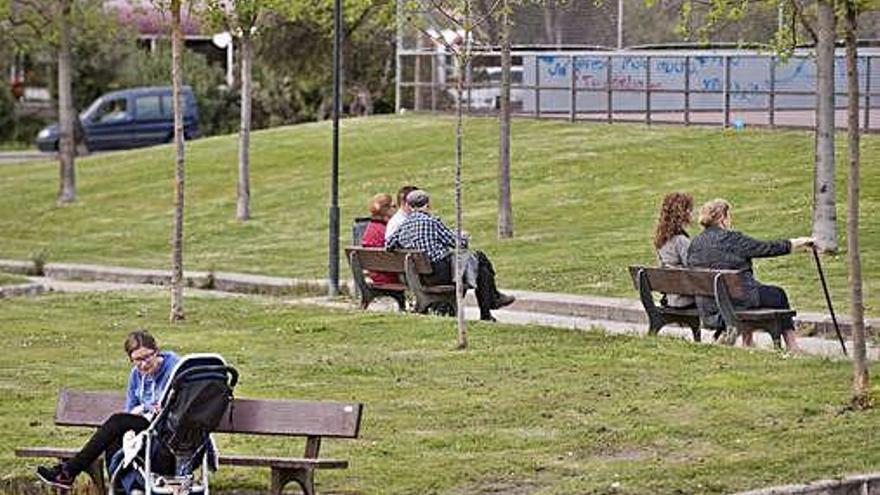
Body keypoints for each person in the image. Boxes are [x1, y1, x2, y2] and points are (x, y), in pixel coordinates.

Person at [36, 330, 180, 490]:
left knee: (118, 421)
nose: (144, 364)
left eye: (147, 357)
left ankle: (68, 471)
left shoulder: (174, 366)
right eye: (137, 360)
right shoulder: (136, 375)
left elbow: (172, 402)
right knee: (114, 440)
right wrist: (144, 409)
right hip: (146, 430)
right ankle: (115, 488)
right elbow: (131, 410)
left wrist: (146, 407)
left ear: (157, 351)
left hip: (168, 430)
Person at [687, 199, 813, 350]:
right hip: (737, 299)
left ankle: (746, 340)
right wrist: (796, 242)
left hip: (709, 304)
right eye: (729, 216)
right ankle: (792, 345)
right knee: (778, 294)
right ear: (722, 218)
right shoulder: (732, 239)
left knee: (748, 287)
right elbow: (765, 248)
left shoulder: (695, 243)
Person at [386, 189, 515, 321]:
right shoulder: (432, 221)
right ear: (427, 205)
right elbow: (456, 242)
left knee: (479, 264)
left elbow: (389, 245)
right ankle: (489, 306)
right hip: (440, 274)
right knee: (480, 261)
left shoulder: (404, 224)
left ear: (410, 205)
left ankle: (492, 302)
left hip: (420, 276)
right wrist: (463, 237)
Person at [653, 192, 695, 308]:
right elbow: (694, 269)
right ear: (683, 213)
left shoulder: (661, 239)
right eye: (690, 209)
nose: (692, 213)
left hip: (671, 298)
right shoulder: (681, 241)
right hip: (685, 299)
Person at [361, 193, 400, 285]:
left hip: (374, 275)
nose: (397, 210)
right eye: (394, 206)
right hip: (388, 277)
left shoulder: (370, 228)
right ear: (386, 209)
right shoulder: (386, 231)